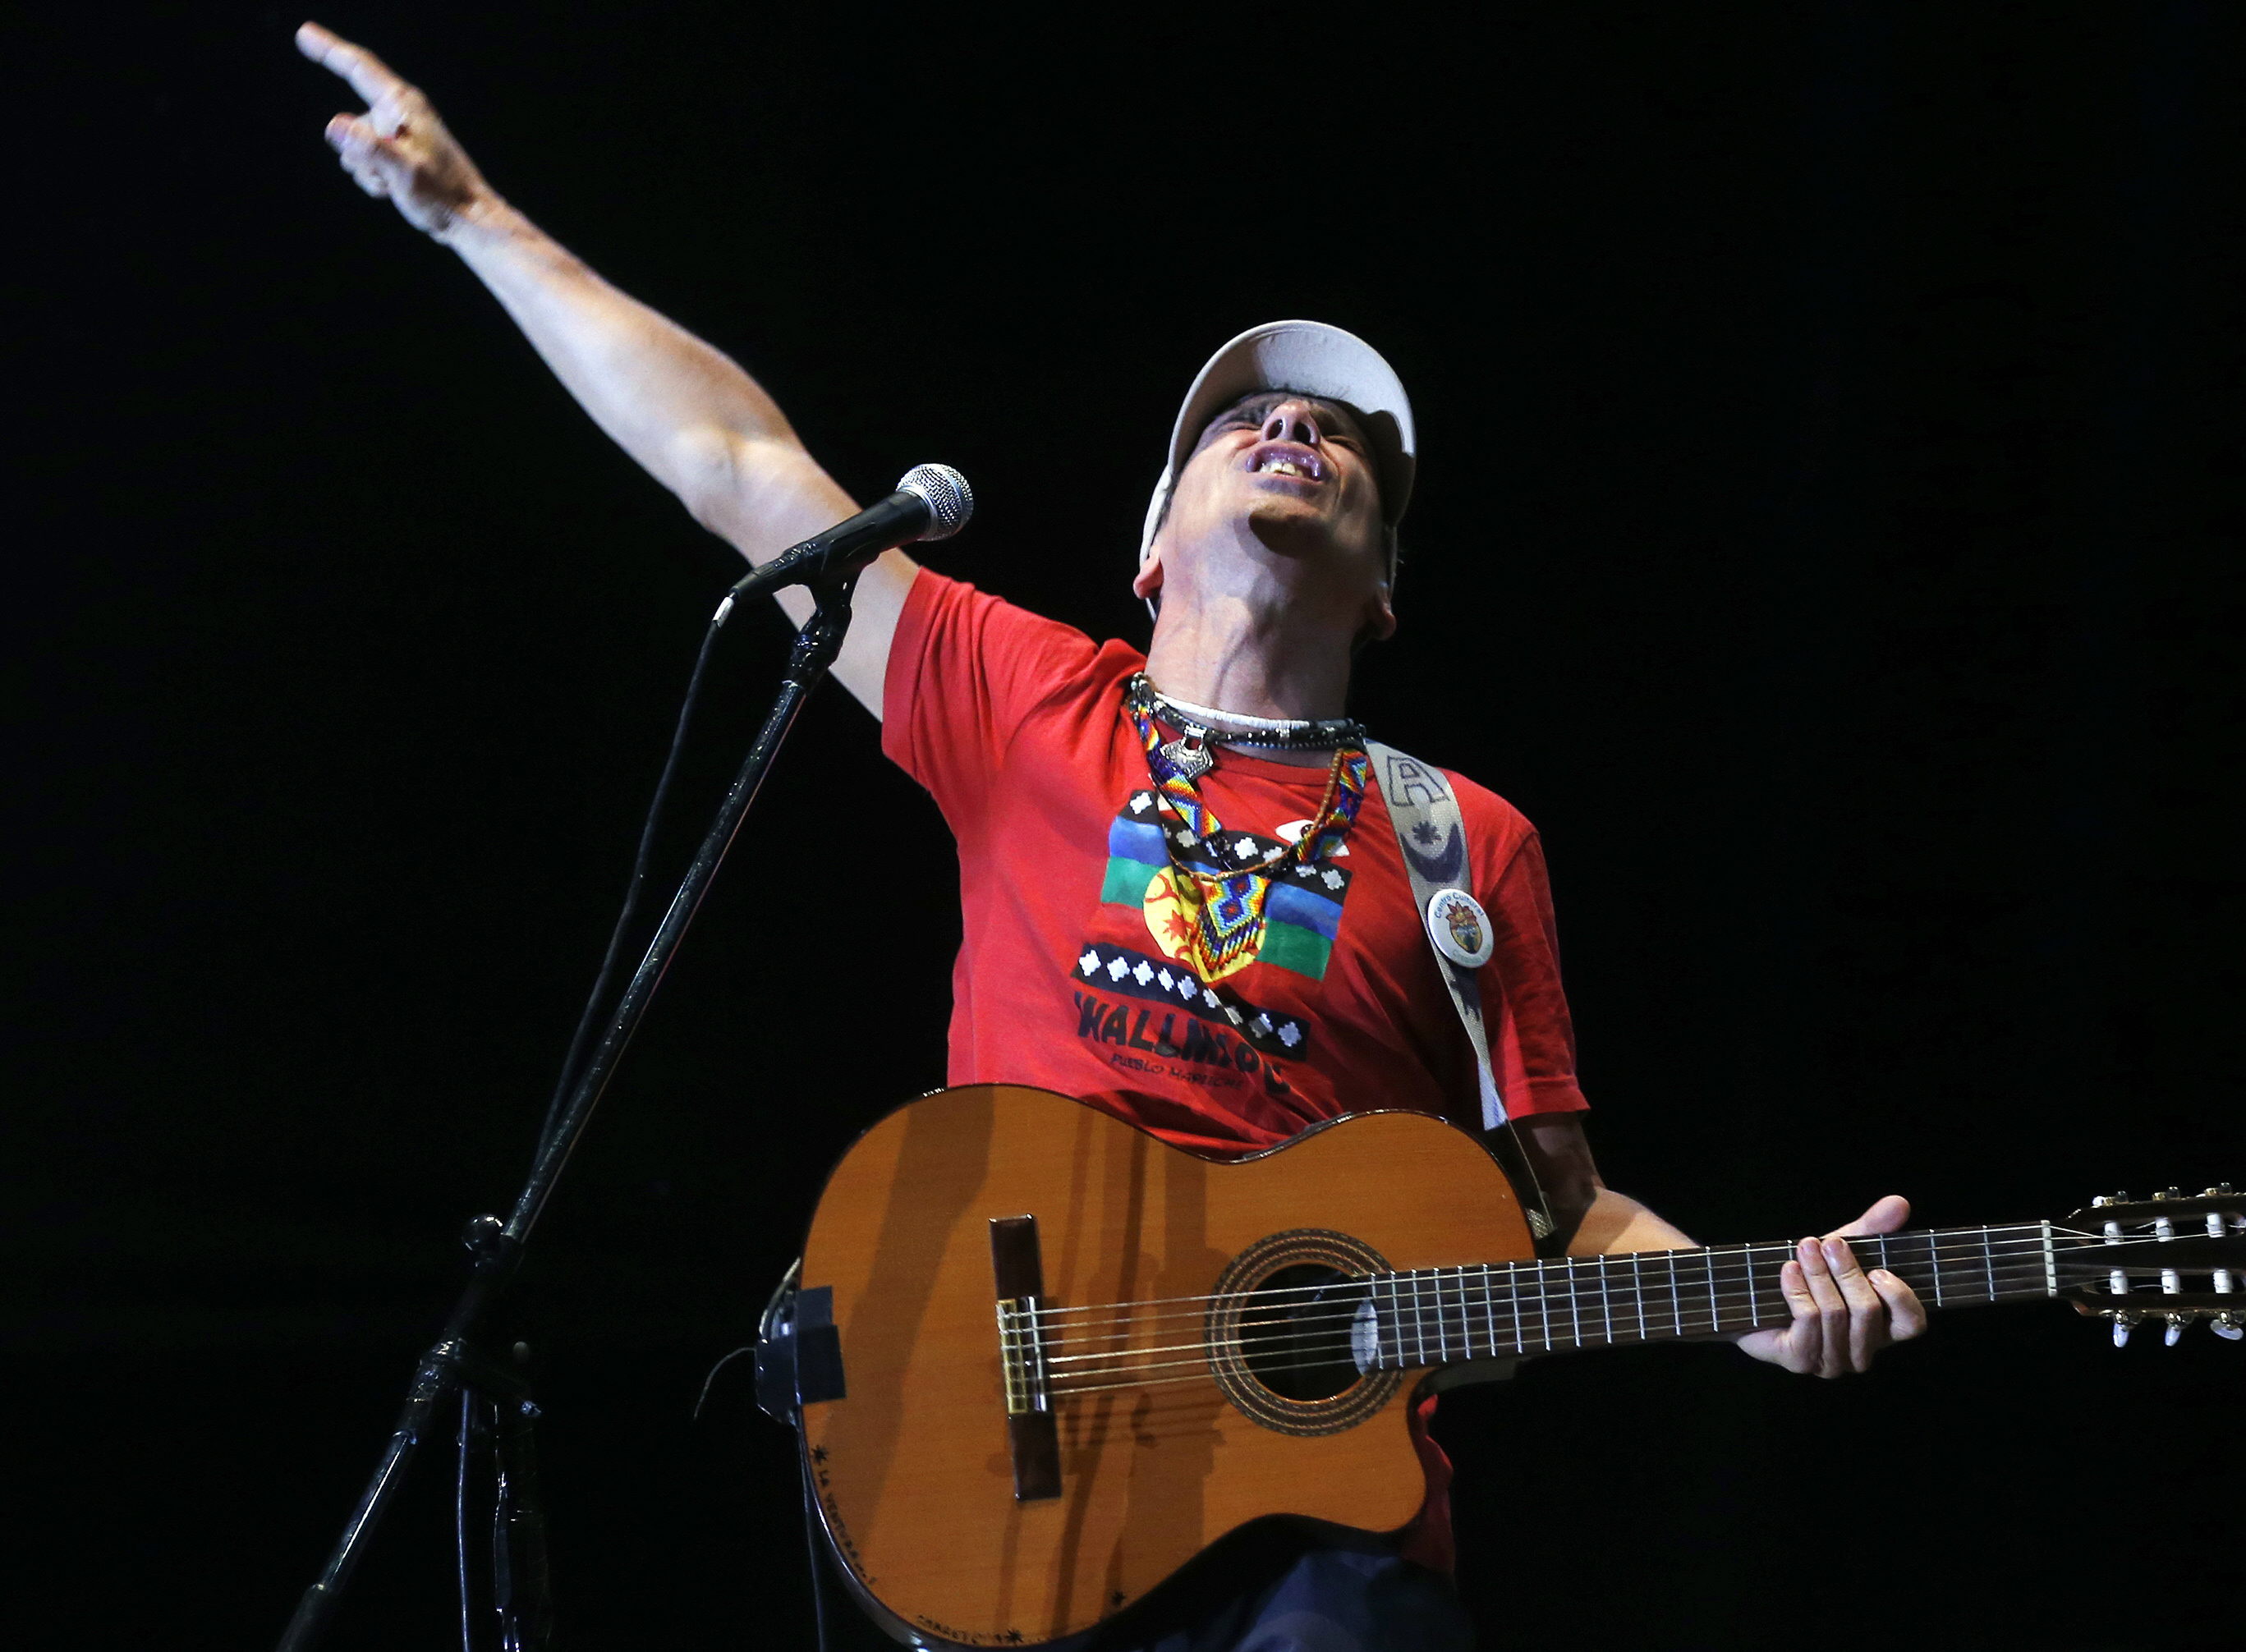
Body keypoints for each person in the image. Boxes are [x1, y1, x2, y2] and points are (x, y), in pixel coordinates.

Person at [294, 21, 1928, 1648]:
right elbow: (731, 462)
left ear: (1386, 587)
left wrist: (1755, 1301)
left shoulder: (1463, 842)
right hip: (1020, 1497)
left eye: (1348, 443)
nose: (1302, 430)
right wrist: (472, 216)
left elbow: (1556, 1214)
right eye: (1250, 421)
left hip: (1323, 1537)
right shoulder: (1022, 699)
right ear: (1153, 545)